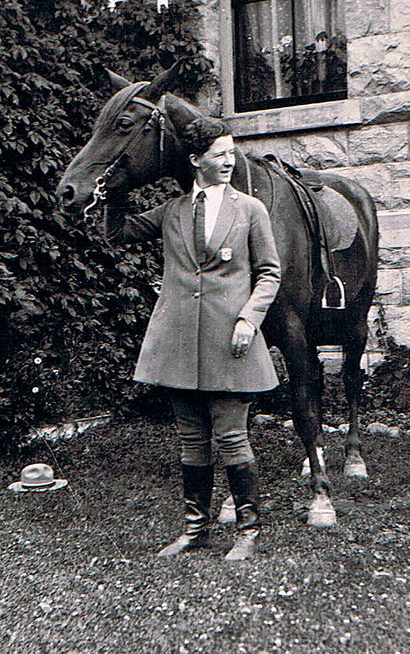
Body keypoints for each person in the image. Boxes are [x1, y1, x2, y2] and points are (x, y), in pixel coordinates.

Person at [104, 117, 281, 560]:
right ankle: (195, 530)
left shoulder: (250, 210)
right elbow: (117, 234)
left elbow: (269, 274)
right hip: (180, 342)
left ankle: (248, 532)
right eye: (219, 154)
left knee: (232, 437)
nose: (228, 161)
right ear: (196, 160)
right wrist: (117, 188)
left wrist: (249, 319)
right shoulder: (173, 210)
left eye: (231, 152)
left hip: (230, 340)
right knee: (190, 439)